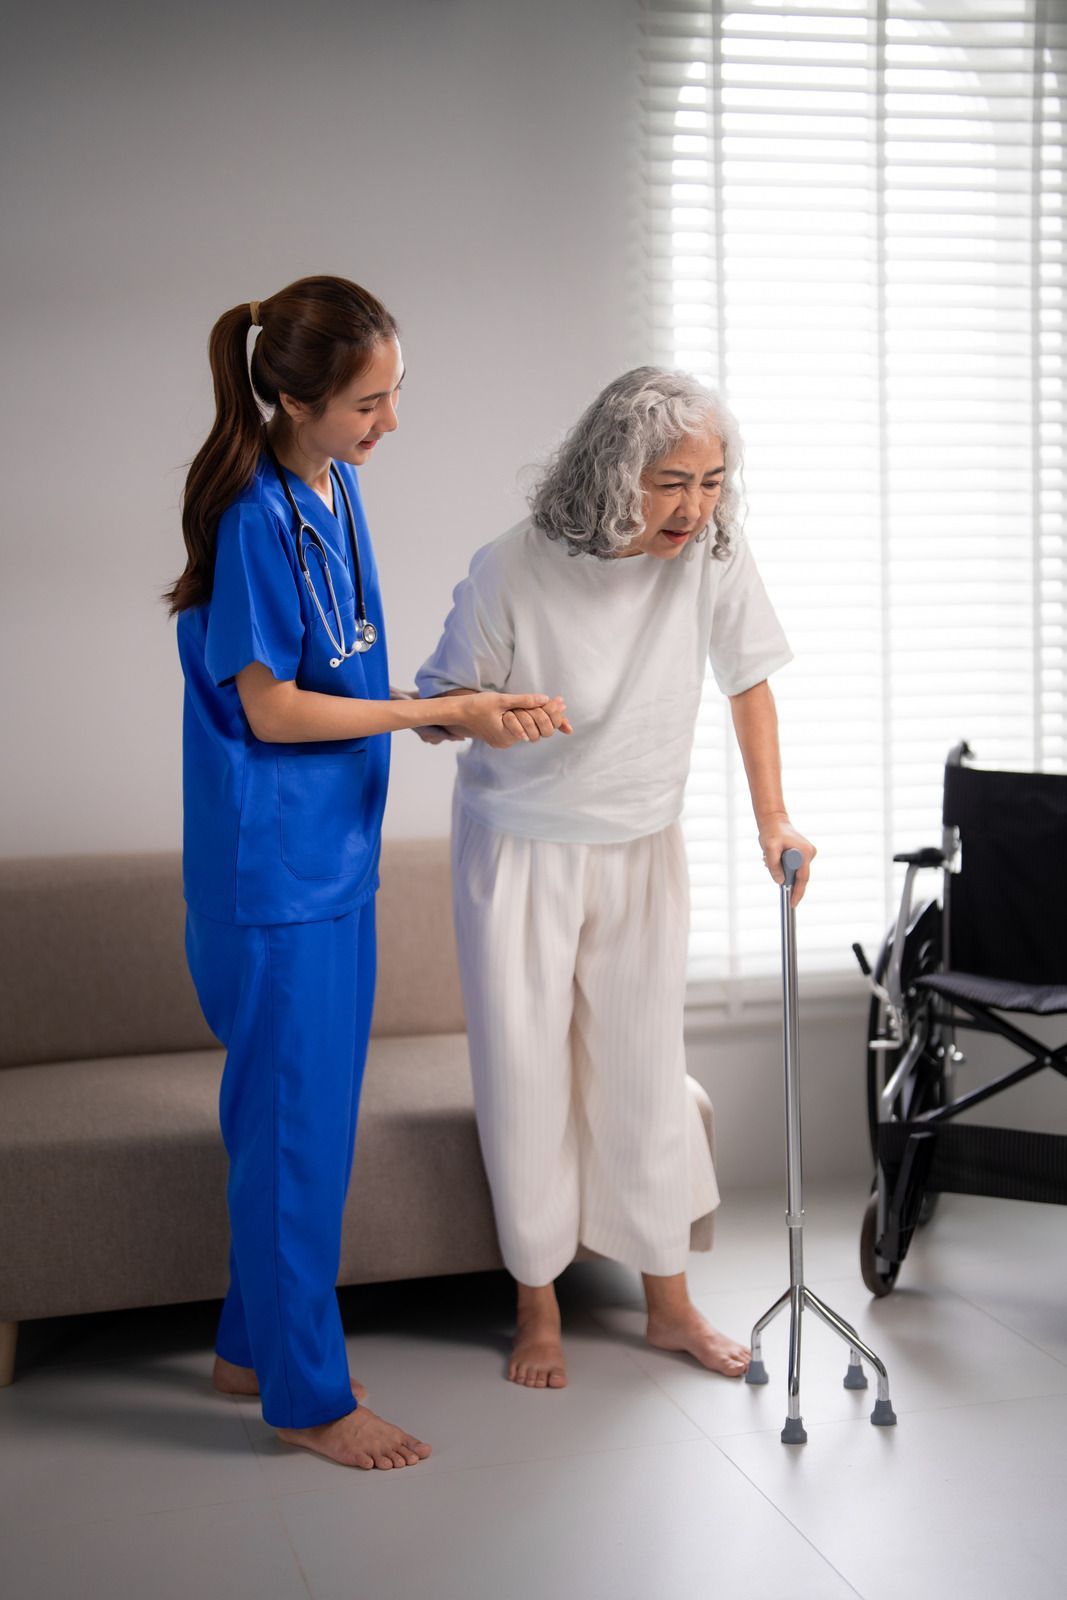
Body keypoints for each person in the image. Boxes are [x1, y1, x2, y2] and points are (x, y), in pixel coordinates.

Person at [167, 275, 567, 1468]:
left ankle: (249, 1347)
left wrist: (460, 712)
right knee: (293, 1142)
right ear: (291, 398)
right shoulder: (250, 512)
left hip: (330, 857)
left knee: (301, 1131)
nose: (389, 424)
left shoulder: (331, 489)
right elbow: (276, 707)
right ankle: (308, 1396)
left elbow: (349, 681)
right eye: (367, 404)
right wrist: (421, 716)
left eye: (395, 396)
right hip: (270, 875)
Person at [416, 367, 815, 1389]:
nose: (694, 507)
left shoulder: (710, 556)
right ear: (611, 470)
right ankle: (535, 1302)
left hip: (643, 840)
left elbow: (749, 681)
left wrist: (772, 816)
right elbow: (435, 708)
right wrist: (492, 710)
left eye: (713, 480)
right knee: (525, 1075)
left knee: (644, 1072)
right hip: (520, 847)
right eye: (670, 481)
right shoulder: (511, 565)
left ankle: (667, 1302)